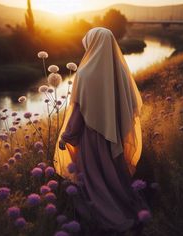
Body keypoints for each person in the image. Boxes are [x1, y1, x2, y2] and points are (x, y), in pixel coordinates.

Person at [54, 27, 148, 235]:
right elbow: (131, 105)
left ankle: (107, 217)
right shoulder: (121, 71)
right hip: (114, 136)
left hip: (91, 138)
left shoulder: (85, 73)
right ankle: (130, 212)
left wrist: (67, 136)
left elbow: (79, 110)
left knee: (95, 179)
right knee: (113, 176)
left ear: (92, 44)